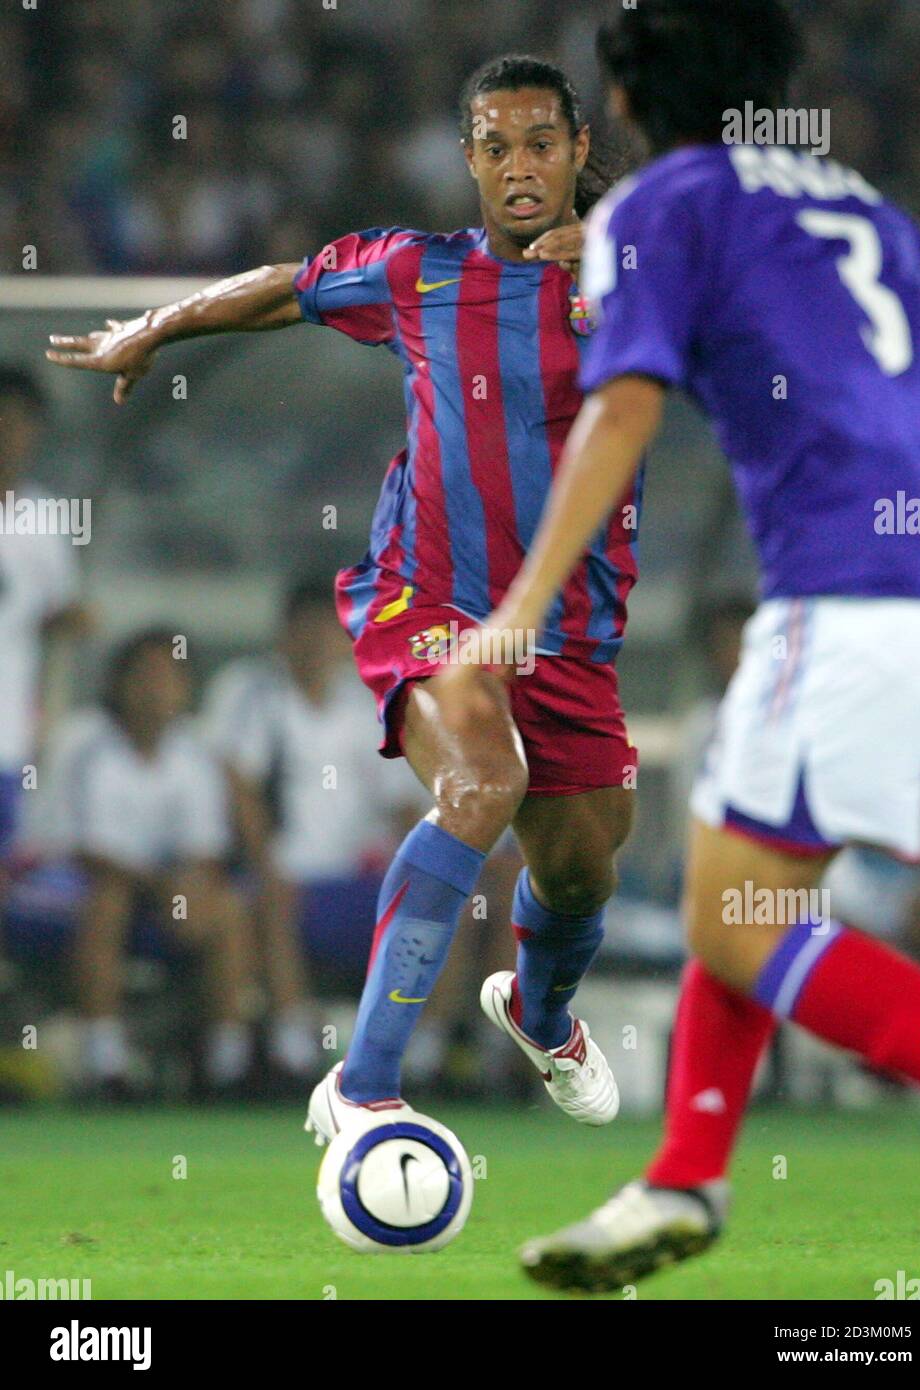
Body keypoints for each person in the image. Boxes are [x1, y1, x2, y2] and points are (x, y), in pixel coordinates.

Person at [435, 0, 920, 1292]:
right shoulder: (865, 208)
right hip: (917, 568)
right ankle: (680, 1176)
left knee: (730, 922)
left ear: (616, 102)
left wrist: (514, 613)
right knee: (745, 895)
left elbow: (619, 408)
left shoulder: (658, 207)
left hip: (837, 585)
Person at [46, 57, 639, 1145]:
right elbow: (285, 284)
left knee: (581, 867)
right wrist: (161, 325)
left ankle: (539, 1012)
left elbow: (762, 294)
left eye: (539, 144)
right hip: (426, 600)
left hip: (568, 635)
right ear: (467, 159)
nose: (517, 167)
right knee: (480, 782)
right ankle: (362, 1088)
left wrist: (626, 251)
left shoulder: (636, 278)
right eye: (494, 146)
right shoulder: (416, 272)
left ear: (575, 154)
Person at [204, 573, 427, 1085]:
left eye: (327, 632)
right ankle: (292, 1047)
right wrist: (266, 866)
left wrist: (430, 869)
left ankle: (421, 1051)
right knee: (276, 897)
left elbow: (401, 803)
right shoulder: (250, 691)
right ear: (283, 633)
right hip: (275, 874)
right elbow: (239, 786)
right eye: (303, 631)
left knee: (439, 900)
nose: (315, 643)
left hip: (350, 878)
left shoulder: (368, 703)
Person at [43, 629, 255, 1099]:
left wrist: (187, 889)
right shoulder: (83, 740)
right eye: (145, 676)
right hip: (62, 883)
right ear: (118, 683)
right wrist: (167, 887)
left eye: (169, 677)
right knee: (108, 902)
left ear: (185, 689)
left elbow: (206, 849)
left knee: (229, 908)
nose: (156, 689)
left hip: (159, 886)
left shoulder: (195, 750)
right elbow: (85, 849)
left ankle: (228, 1063)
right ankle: (106, 1063)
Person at [0, 367, 88, 897]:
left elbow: (58, 614)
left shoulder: (45, 520)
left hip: (8, 735)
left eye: (17, 424)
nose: (7, 435)